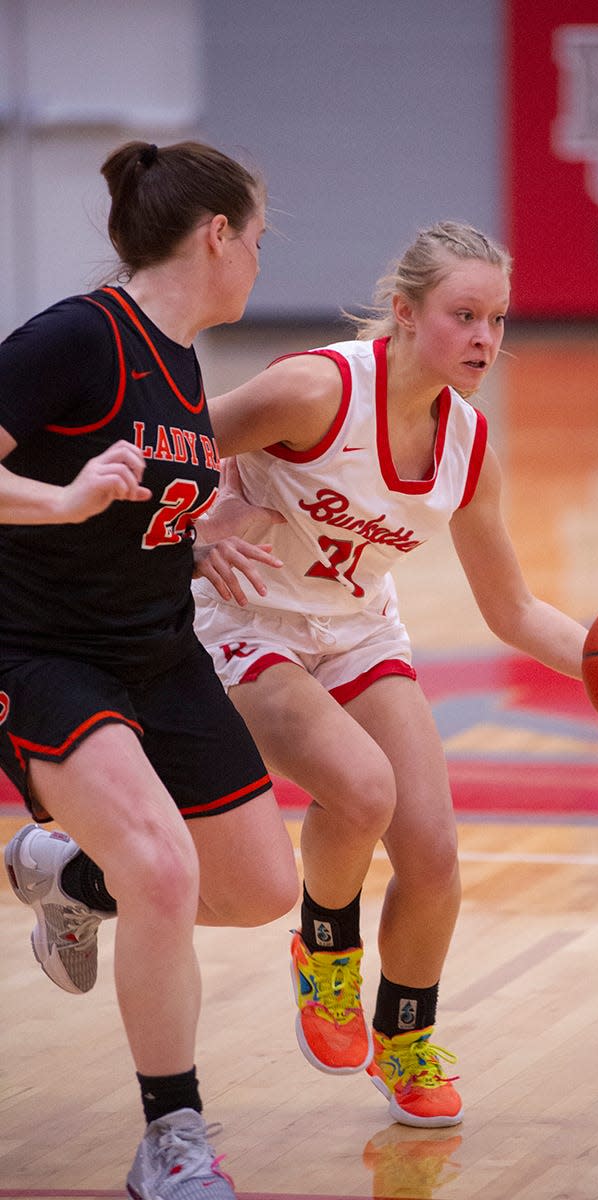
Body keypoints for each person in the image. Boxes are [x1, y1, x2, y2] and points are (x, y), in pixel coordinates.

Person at [191, 221, 589, 1128]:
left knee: (435, 853)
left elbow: (512, 610)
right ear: (404, 315)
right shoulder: (316, 389)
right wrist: (193, 533)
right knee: (362, 790)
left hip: (360, 630)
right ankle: (326, 954)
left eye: (497, 319)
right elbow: (172, 444)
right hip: (249, 625)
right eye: (463, 315)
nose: (485, 338)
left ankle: (404, 1035)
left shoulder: (468, 444)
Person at [0, 139, 298, 1200]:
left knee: (261, 888)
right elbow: (68, 489)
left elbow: (130, 495)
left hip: (158, 652)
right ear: (215, 235)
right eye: (258, 239)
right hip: (44, 657)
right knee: (166, 874)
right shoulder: (77, 338)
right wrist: (62, 501)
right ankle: (170, 1139)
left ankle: (63, 873)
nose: (262, 259)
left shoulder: (179, 362)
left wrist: (195, 531)